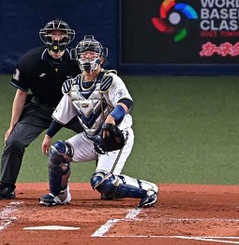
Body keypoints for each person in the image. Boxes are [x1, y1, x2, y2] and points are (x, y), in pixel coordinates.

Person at [38, 35, 158, 208]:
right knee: (58, 152)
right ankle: (59, 195)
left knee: (102, 183)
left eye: (92, 54)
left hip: (115, 138)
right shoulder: (73, 86)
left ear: (101, 58)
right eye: (84, 54)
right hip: (91, 137)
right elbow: (61, 115)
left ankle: (148, 189)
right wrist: (48, 135)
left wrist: (111, 120)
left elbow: (125, 102)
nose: (88, 57)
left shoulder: (110, 80)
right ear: (77, 57)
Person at [0, 19, 83, 200]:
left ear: (67, 37)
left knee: (100, 136)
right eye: (53, 34)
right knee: (14, 141)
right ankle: (6, 186)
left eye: (61, 34)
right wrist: (12, 125)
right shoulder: (29, 60)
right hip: (40, 109)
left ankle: (106, 184)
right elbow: (21, 94)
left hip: (72, 110)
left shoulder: (77, 61)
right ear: (46, 36)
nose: (57, 38)